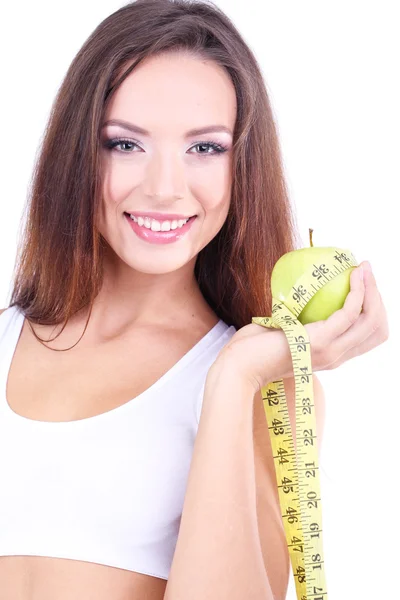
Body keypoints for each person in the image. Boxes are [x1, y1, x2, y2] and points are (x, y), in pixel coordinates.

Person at [1, 0, 389, 598]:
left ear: (242, 166)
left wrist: (233, 381)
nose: (163, 188)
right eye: (125, 145)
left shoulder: (269, 388)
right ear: (77, 151)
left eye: (204, 148)